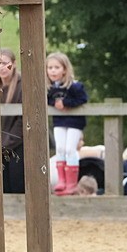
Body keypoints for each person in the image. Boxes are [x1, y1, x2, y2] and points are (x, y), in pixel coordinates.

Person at [46, 52, 89, 195]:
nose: (53, 70)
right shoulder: (50, 88)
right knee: (60, 149)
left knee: (71, 149)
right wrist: (54, 103)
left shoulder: (74, 86)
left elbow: (82, 99)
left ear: (64, 69)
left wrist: (65, 103)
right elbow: (48, 100)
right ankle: (61, 181)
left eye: (56, 67)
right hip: (59, 122)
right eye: (50, 67)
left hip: (74, 122)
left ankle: (72, 183)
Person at [0, 48, 26, 194]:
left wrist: (5, 144)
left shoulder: (22, 86)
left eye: (5, 63)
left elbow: (22, 121)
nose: (2, 67)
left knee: (17, 183)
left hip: (18, 145)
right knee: (2, 185)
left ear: (14, 64)